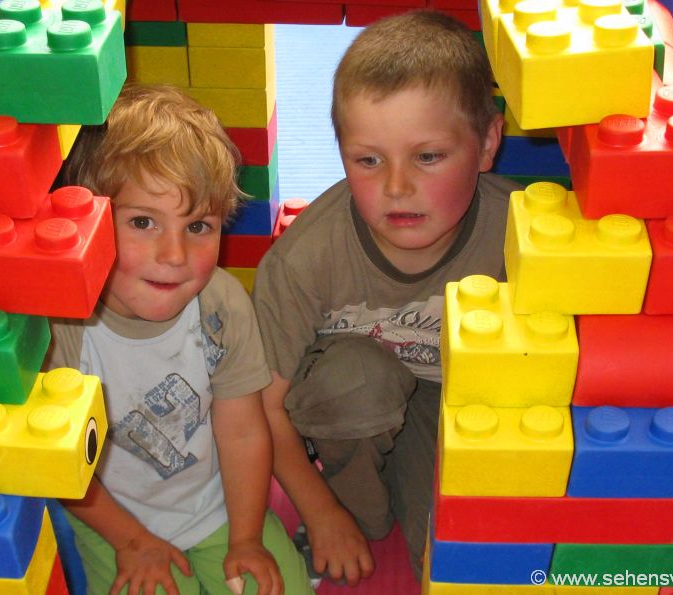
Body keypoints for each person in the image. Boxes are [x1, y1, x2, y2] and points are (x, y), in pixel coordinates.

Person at [252, 10, 521, 583]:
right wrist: (321, 513)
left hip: (451, 404)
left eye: (428, 157)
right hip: (350, 402)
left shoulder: (520, 233)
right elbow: (262, 404)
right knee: (356, 392)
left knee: (451, 553)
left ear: (488, 142)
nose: (397, 187)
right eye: (368, 160)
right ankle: (350, 499)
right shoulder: (305, 258)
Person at [47, 84, 312, 595]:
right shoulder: (65, 325)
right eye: (143, 222)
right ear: (87, 222)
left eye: (198, 226)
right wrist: (130, 540)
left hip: (213, 509)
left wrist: (248, 537)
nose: (174, 254)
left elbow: (242, 433)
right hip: (106, 518)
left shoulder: (222, 303)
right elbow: (57, 464)